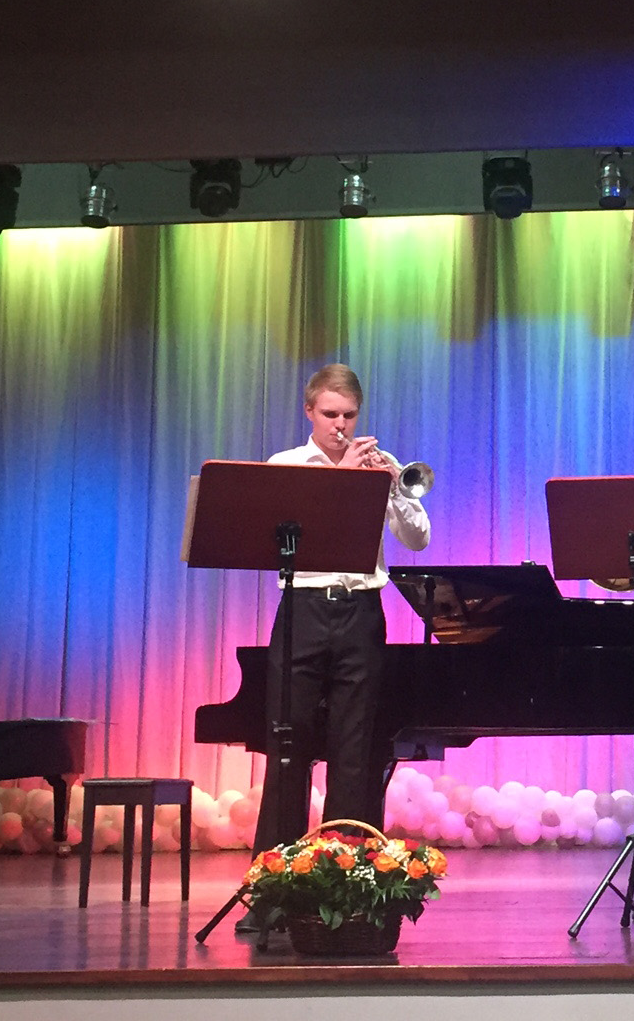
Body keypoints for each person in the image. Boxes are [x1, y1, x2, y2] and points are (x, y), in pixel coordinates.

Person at [239, 364, 430, 931]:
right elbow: (289, 538)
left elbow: (418, 539)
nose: (341, 426)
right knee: (288, 746)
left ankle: (348, 893)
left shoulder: (377, 465)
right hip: (302, 610)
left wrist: (391, 488)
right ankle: (270, 893)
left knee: (355, 752)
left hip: (360, 613)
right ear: (309, 412)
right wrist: (343, 480)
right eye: (330, 415)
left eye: (349, 415)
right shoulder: (286, 466)